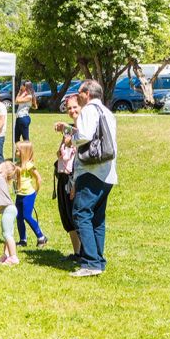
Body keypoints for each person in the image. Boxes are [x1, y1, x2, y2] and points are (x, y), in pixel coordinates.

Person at [55, 79, 118, 277]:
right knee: (97, 218)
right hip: (107, 172)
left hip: (91, 170)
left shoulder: (89, 110)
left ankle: (90, 262)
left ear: (87, 93)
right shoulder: (107, 112)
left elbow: (84, 135)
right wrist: (68, 129)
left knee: (81, 213)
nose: (78, 94)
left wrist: (69, 139)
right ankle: (98, 261)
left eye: (80, 91)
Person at [54, 95, 82, 261]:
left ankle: (86, 252)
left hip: (75, 177)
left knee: (76, 215)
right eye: (69, 108)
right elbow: (63, 153)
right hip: (63, 176)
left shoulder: (82, 129)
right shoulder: (69, 129)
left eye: (74, 107)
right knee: (66, 216)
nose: (72, 111)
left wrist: (75, 184)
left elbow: (81, 140)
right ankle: (77, 252)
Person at [13, 140, 47, 248]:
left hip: (28, 195)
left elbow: (38, 178)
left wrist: (36, 191)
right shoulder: (16, 164)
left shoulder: (28, 165)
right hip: (19, 194)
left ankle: (41, 237)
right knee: (19, 217)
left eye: (17, 151)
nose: (15, 152)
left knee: (27, 216)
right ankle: (23, 240)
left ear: (24, 152)